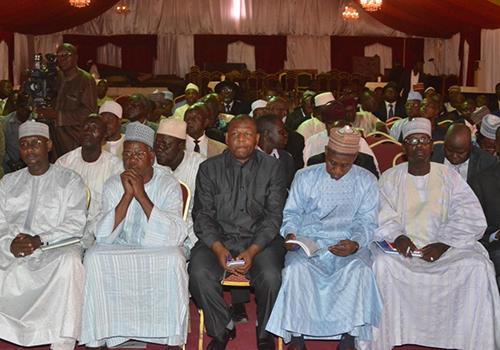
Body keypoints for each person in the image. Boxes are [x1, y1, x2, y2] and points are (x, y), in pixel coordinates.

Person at [369, 118, 500, 350]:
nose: (418, 146)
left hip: (445, 248)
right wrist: (398, 236)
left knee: (477, 266)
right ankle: (390, 336)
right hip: (405, 251)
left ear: (432, 146)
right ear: (404, 147)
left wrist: (444, 243)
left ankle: (471, 339)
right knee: (381, 265)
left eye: (424, 141)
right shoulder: (390, 178)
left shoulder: (450, 177)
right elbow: (381, 213)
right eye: (412, 141)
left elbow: (469, 216)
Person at [266, 126, 382, 350]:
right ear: (326, 152)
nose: (337, 171)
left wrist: (356, 243)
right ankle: (297, 336)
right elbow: (292, 214)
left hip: (347, 244)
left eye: (344, 166)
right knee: (294, 271)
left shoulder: (366, 181)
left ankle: (349, 336)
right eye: (332, 163)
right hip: (310, 242)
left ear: (355, 158)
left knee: (359, 271)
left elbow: (367, 222)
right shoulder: (305, 176)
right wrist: (290, 234)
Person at [80, 122, 188, 350]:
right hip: (118, 245)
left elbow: (175, 233)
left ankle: (167, 334)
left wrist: (141, 193)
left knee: (175, 259)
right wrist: (127, 196)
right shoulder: (112, 184)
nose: (132, 159)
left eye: (138, 154)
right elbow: (103, 234)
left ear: (151, 156)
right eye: (127, 154)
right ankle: (105, 331)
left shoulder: (168, 184)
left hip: (158, 247)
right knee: (93, 258)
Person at [189, 116, 287, 350]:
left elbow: (274, 216)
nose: (241, 139)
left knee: (272, 276)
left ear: (257, 138)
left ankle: (265, 333)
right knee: (198, 272)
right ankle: (222, 327)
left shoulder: (273, 168)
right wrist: (218, 247)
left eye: (247, 134)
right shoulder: (208, 168)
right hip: (219, 240)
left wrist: (253, 250)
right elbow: (202, 215)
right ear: (226, 138)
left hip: (260, 242)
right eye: (235, 134)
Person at [0, 120, 87, 350]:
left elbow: (75, 222)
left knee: (71, 262)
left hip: (53, 248)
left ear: (48, 145)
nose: (29, 149)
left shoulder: (69, 180)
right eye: (24, 144)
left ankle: (63, 336)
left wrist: (39, 240)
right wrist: (9, 244)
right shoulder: (9, 182)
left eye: (36, 143)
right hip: (13, 246)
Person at [56, 115, 123, 247]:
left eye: (94, 128)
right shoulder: (64, 163)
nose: (88, 131)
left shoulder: (115, 167)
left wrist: (90, 231)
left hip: (100, 231)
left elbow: (113, 207)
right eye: (85, 128)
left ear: (104, 137)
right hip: (66, 229)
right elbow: (56, 202)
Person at [35, 43, 97, 157]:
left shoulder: (85, 80)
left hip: (74, 139)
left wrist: (57, 115)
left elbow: (89, 113)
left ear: (76, 58)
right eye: (58, 55)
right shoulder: (56, 77)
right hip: (54, 137)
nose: (62, 59)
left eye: (66, 55)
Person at [154, 118, 206, 254]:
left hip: (193, 230)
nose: (159, 149)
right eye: (157, 143)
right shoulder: (151, 165)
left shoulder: (199, 165)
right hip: (158, 228)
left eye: (166, 145)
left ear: (180, 146)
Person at [303, 101, 379, 177]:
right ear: (325, 124)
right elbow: (307, 173)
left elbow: (372, 173)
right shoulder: (312, 142)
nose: (334, 128)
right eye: (330, 123)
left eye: (339, 125)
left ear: (346, 124)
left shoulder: (359, 141)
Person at [469, 127, 500, 288]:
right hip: (496, 247)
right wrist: (495, 235)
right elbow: (473, 229)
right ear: (497, 145)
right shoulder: (480, 182)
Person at [431, 123, 497, 183]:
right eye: (449, 150)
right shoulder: (431, 154)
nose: (454, 156)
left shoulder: (486, 163)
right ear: (444, 143)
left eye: (460, 153)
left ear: (471, 147)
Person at [256, 114, 296, 188]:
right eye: (281, 132)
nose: (286, 135)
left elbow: (290, 188)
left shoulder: (286, 158)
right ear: (266, 134)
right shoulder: (248, 158)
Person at [3, 93, 35, 174]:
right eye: (22, 106)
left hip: (32, 167)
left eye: (29, 106)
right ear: (16, 106)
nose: (26, 109)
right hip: (9, 168)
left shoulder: (36, 122)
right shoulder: (4, 123)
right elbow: (2, 148)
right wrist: (10, 162)